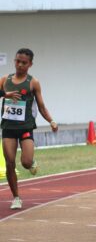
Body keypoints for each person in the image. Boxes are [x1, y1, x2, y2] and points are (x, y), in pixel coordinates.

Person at [1, 48, 58, 210]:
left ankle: (31, 161)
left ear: (30, 64)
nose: (19, 65)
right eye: (17, 61)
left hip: (25, 127)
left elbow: (41, 106)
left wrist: (51, 121)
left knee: (25, 163)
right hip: (8, 127)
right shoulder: (5, 79)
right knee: (10, 163)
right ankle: (16, 197)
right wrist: (6, 95)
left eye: (23, 63)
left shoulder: (33, 82)